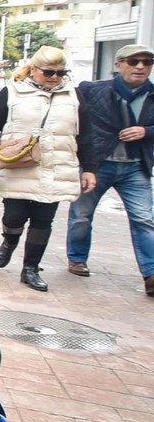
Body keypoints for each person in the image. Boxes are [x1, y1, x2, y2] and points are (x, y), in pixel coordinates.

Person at [0, 46, 95, 292]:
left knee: (43, 220)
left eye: (61, 72)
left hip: (56, 166)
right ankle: (10, 239)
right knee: (14, 216)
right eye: (49, 72)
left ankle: (30, 268)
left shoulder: (74, 95)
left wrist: (90, 168)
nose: (55, 77)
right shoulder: (12, 92)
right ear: (33, 69)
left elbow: (87, 135)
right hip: (17, 164)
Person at [67, 44, 154, 294]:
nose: (140, 66)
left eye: (147, 62)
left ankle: (151, 274)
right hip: (97, 165)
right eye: (133, 61)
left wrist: (146, 131)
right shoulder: (92, 90)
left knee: (144, 219)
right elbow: (72, 116)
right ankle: (78, 258)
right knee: (81, 215)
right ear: (119, 65)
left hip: (136, 167)